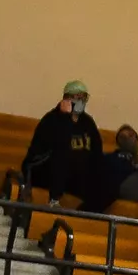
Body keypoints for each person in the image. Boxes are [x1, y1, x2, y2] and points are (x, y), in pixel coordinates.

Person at [23, 80, 108, 209]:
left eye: (84, 98)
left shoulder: (88, 122)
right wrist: (65, 118)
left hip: (76, 175)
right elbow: (58, 144)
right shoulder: (51, 119)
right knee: (62, 154)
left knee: (102, 170)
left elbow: (97, 151)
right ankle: (54, 199)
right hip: (45, 169)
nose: (81, 101)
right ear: (66, 99)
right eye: (77, 97)